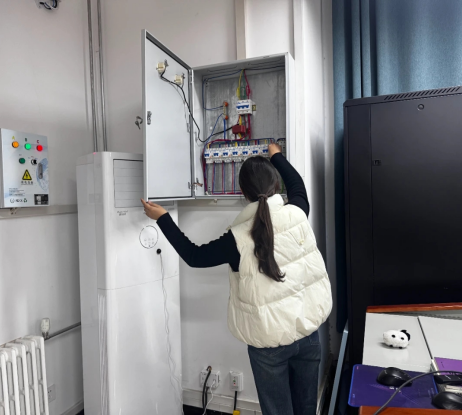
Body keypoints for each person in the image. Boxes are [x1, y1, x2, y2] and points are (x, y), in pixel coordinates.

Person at [141, 143, 332, 415]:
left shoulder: (236, 239)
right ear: (276, 185)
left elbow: (194, 256)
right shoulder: (298, 212)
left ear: (243, 193)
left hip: (268, 343)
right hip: (308, 332)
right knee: (306, 409)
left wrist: (162, 218)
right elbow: (297, 185)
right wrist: (276, 155)